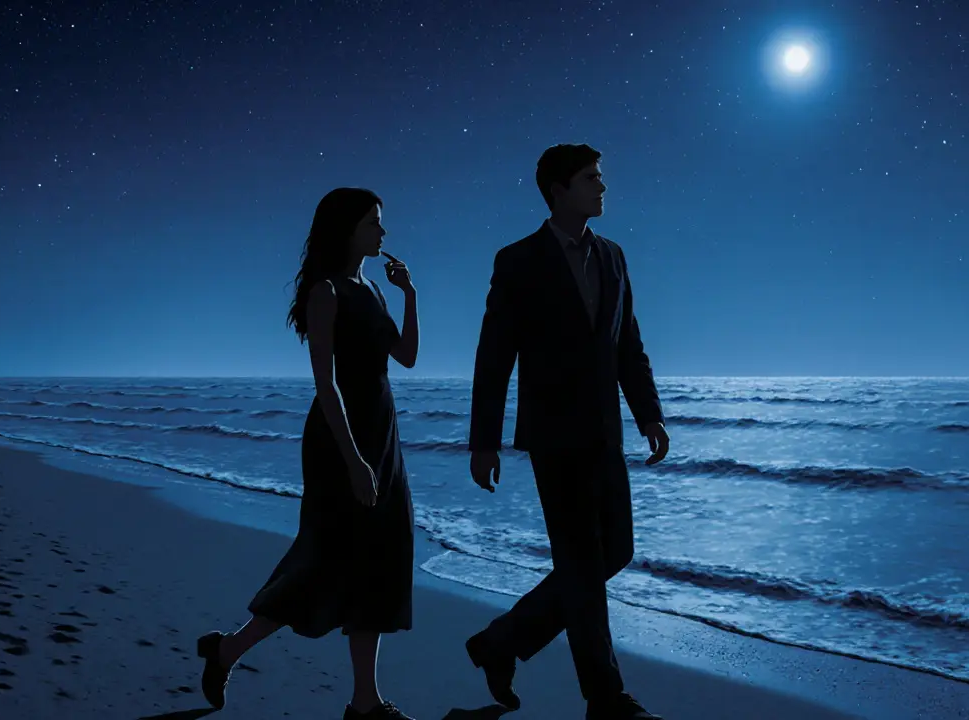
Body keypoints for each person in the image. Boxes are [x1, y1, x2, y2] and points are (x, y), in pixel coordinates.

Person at [195, 188, 420, 720]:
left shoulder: (373, 289)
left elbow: (407, 356)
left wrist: (409, 294)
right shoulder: (327, 292)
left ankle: (364, 702)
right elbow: (326, 383)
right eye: (373, 223)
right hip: (340, 440)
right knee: (325, 560)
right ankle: (227, 650)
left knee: (382, 556)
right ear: (347, 230)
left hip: (382, 435)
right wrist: (353, 460)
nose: (383, 232)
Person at [465, 144, 670, 720]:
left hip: (605, 430)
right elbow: (494, 354)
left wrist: (648, 413)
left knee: (615, 551)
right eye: (590, 178)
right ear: (559, 190)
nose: (602, 187)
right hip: (553, 435)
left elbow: (627, 343)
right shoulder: (518, 260)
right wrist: (484, 440)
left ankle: (501, 641)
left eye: (600, 178)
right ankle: (605, 698)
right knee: (581, 563)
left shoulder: (613, 256)